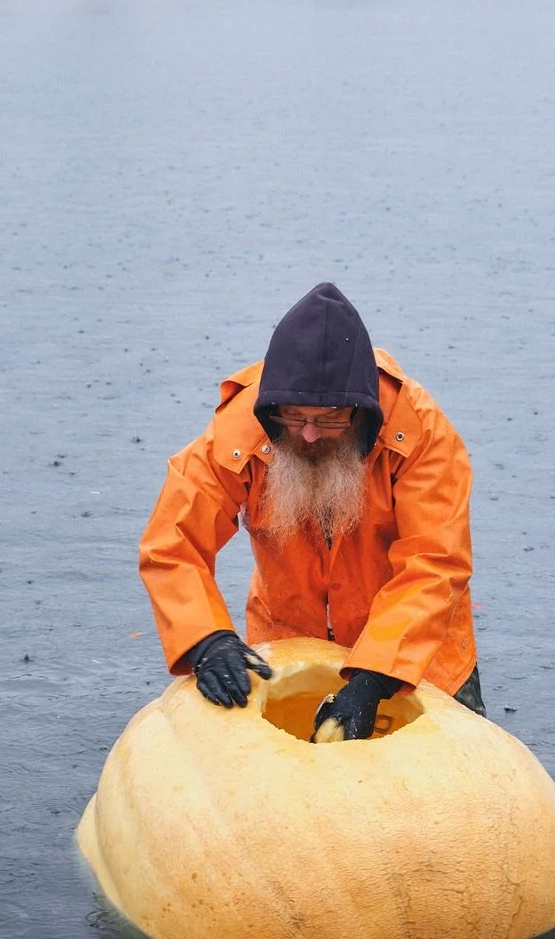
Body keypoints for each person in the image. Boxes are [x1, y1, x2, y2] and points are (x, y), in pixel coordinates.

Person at [139, 281, 484, 741]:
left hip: (420, 654)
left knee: (450, 798)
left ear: (362, 412)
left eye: (329, 420)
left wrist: (377, 675)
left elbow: (435, 564)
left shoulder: (420, 433)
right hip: (288, 649)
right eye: (294, 417)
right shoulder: (243, 426)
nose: (307, 435)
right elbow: (173, 542)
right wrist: (205, 638)